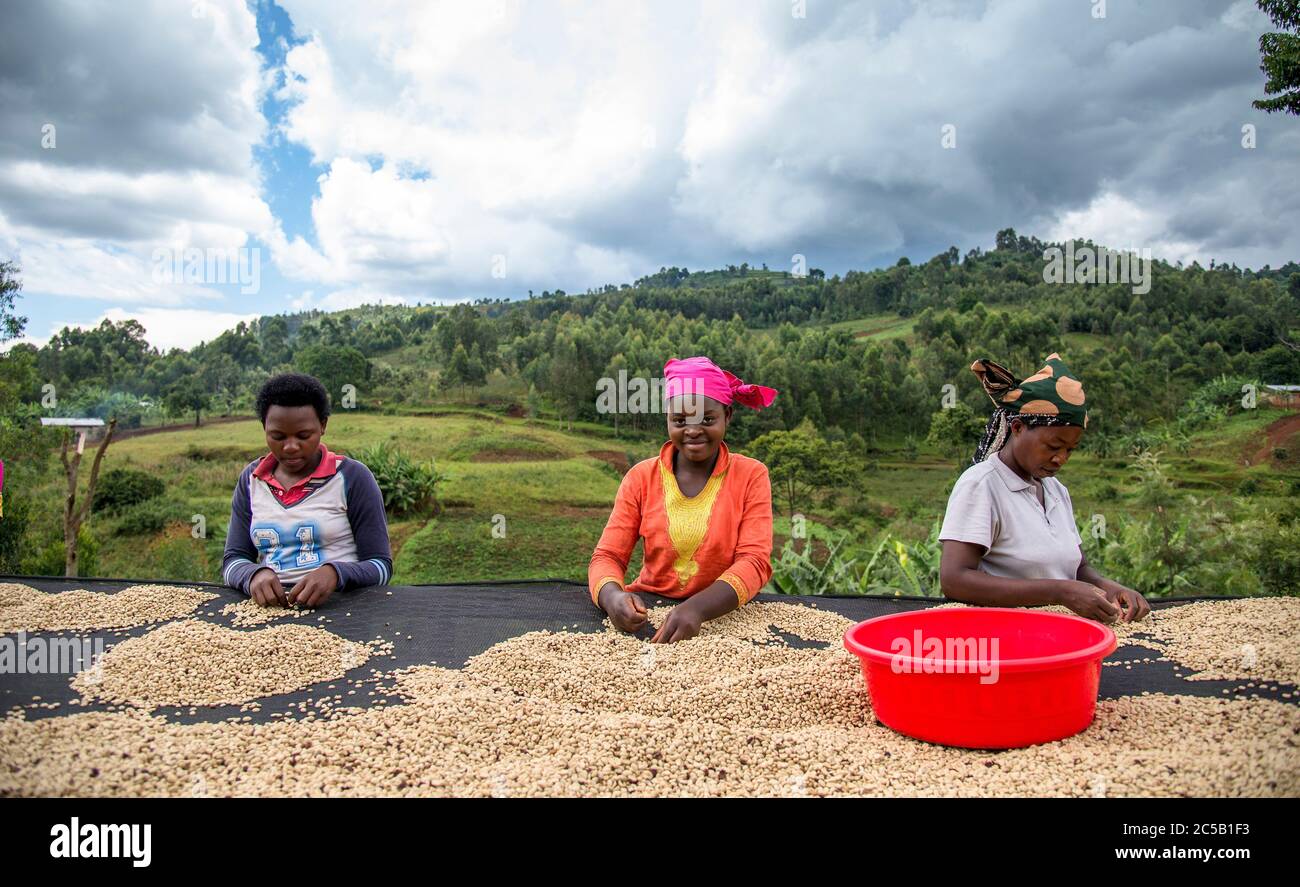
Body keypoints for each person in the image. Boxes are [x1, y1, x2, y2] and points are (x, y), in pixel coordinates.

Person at [938, 353, 1150, 623]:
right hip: (1003, 638)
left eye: (1070, 450)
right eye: (1052, 446)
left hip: (1058, 633)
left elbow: (1078, 567)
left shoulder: (1055, 490)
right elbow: (955, 580)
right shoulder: (982, 485)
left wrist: (1109, 587)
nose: (1061, 458)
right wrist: (1060, 592)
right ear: (1017, 428)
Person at [589, 356, 777, 643]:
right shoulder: (641, 477)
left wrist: (698, 609)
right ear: (668, 418)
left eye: (707, 419)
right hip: (649, 614)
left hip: (726, 616)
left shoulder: (751, 475)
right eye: (680, 420)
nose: (692, 430)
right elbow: (608, 556)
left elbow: (754, 562)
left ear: (727, 416)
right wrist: (613, 597)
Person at [222, 373, 392, 608]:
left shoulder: (352, 478)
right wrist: (253, 575)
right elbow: (233, 560)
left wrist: (336, 574)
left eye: (304, 436)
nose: (290, 447)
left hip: (346, 611)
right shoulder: (251, 481)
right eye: (277, 436)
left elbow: (381, 567)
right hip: (271, 612)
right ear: (264, 428)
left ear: (323, 425)